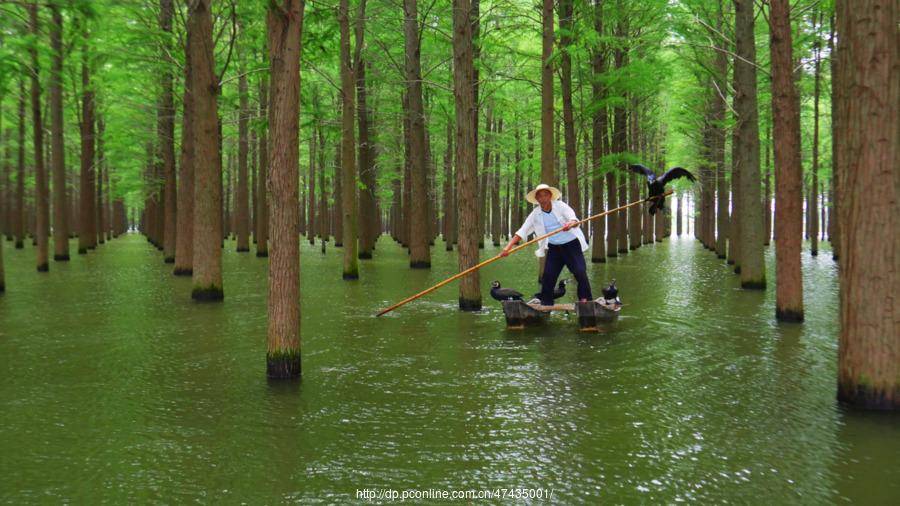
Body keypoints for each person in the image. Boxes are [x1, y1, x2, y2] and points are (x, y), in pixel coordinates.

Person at [501, 183, 592, 305]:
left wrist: (570, 223)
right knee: (548, 276)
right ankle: (546, 302)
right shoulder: (535, 214)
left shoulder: (560, 206)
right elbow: (522, 231)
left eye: (545, 195)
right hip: (554, 248)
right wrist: (508, 247)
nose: (543, 199)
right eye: (540, 196)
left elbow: (573, 219)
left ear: (550, 196)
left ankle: (585, 300)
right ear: (537, 199)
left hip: (571, 245)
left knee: (580, 271)